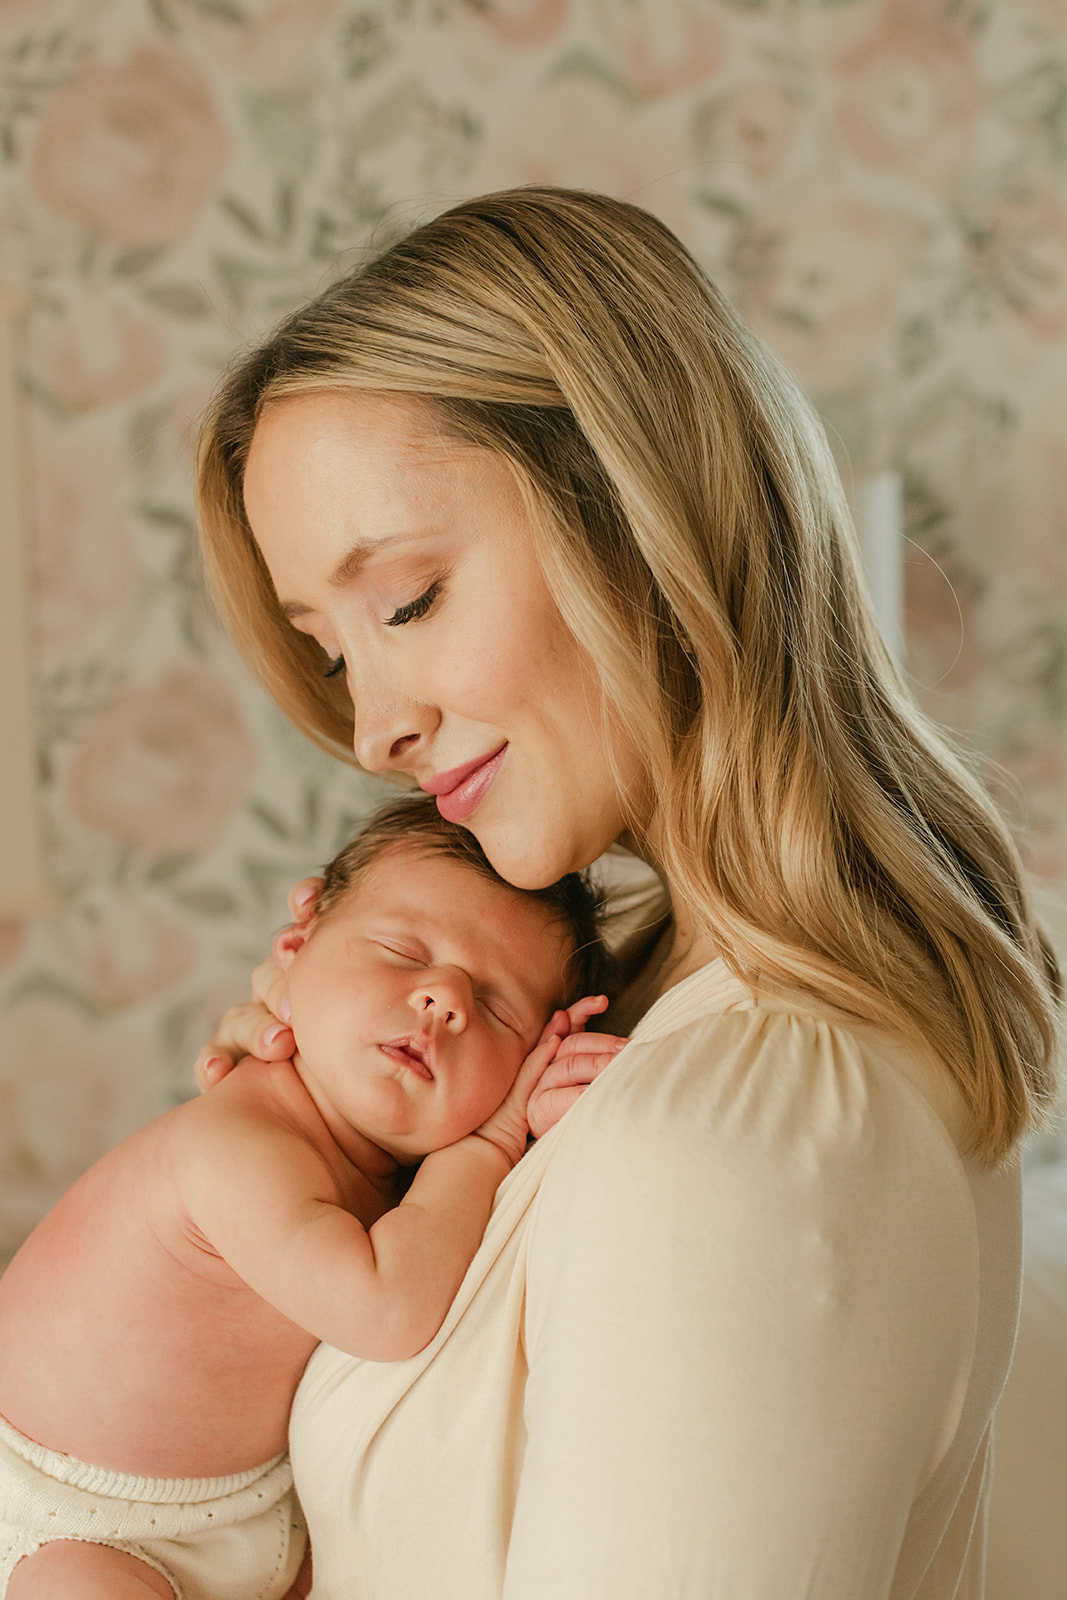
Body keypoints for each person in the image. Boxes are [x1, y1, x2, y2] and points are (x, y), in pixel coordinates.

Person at [194, 187, 1061, 1598]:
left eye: (406, 600)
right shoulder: (646, 1003)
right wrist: (353, 1156)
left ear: (639, 505)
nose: (371, 733)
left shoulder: (737, 1131)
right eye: (334, 650)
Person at [0, 795, 621, 1600]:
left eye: (497, 1009)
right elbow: (387, 1308)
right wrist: (490, 1141)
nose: (445, 1000)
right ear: (292, 950)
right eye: (403, 952)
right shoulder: (235, 1149)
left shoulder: (395, 1176)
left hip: (258, 1509)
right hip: (73, 1518)